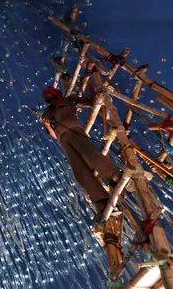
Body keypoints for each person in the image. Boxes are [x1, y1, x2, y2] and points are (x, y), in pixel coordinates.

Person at [41, 86, 122, 218]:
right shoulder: (48, 112)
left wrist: (96, 96)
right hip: (63, 140)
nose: (49, 97)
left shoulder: (69, 100)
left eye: (49, 94)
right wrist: (47, 125)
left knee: (89, 153)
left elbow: (89, 103)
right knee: (79, 170)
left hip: (74, 130)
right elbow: (54, 135)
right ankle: (100, 200)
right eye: (47, 96)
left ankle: (113, 175)